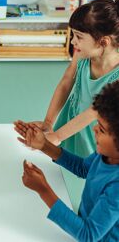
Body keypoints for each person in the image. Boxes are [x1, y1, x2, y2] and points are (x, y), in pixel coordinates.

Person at [14, 80, 119, 241]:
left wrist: (44, 190)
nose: (94, 128)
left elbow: (88, 235)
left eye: (102, 129)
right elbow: (83, 168)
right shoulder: (106, 155)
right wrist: (44, 145)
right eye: (98, 123)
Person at [15, 0, 119, 157]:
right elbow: (66, 82)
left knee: (88, 169)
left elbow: (94, 112)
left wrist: (57, 136)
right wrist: (48, 123)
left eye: (79, 37)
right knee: (66, 164)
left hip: (96, 134)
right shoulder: (82, 54)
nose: (73, 41)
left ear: (103, 42)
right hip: (71, 122)